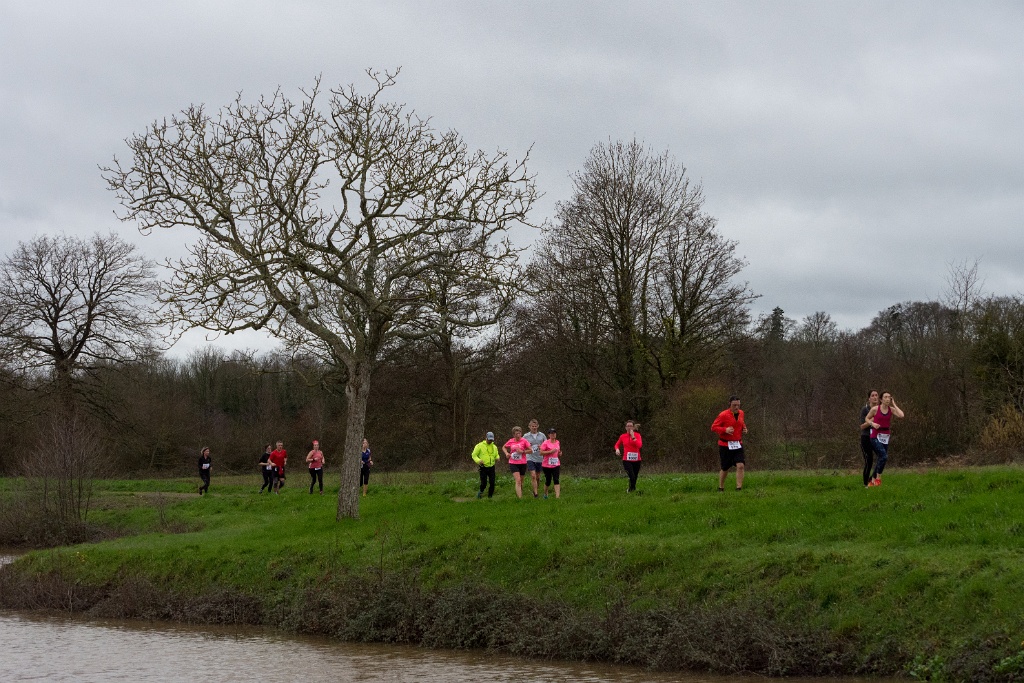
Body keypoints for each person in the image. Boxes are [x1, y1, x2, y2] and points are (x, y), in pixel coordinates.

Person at [865, 391, 905, 486]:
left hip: (885, 435)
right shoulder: (875, 409)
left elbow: (901, 415)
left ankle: (872, 481)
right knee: (884, 456)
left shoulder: (891, 409)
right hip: (875, 435)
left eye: (889, 397)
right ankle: (878, 478)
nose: (888, 399)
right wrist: (872, 423)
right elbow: (866, 418)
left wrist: (894, 404)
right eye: (885, 397)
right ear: (881, 399)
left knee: (881, 458)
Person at [711, 396, 747, 491]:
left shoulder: (741, 413)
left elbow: (741, 423)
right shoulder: (723, 415)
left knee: (741, 465)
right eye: (734, 405)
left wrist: (744, 428)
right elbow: (713, 427)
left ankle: (739, 488)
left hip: (738, 444)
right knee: (725, 467)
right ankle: (721, 487)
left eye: (738, 405)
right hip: (725, 445)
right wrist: (725, 429)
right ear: (729, 404)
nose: (736, 407)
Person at [614, 420, 643, 493]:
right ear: (625, 427)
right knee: (632, 476)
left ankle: (632, 489)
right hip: (626, 460)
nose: (629, 427)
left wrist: (633, 437)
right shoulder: (622, 436)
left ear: (633, 427)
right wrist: (617, 449)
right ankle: (631, 490)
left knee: (635, 476)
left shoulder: (637, 435)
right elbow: (617, 444)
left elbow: (639, 445)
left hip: (637, 460)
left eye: (631, 426)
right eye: (628, 426)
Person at [859, 391, 880, 488]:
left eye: (876, 395)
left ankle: (871, 479)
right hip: (866, 437)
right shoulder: (865, 409)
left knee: (882, 457)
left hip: (876, 437)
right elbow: (862, 426)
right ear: (869, 398)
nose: (875, 397)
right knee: (869, 460)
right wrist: (872, 419)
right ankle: (865, 485)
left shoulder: (880, 409)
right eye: (873, 396)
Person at [503, 426, 531, 499]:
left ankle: (520, 492)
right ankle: (520, 498)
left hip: (522, 463)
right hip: (513, 463)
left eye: (519, 433)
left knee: (521, 481)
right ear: (513, 435)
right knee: (518, 480)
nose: (518, 435)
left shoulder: (524, 441)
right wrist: (506, 453)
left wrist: (523, 451)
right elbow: (504, 447)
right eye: (516, 434)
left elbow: (531, 450)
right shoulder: (511, 441)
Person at [471, 431, 500, 499]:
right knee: (484, 483)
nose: (490, 441)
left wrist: (498, 457)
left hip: (492, 467)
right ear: (486, 438)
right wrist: (478, 461)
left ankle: (490, 497)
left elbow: (496, 455)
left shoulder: (494, 447)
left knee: (492, 483)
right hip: (483, 467)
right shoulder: (479, 446)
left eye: (491, 440)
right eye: (489, 439)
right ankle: (480, 492)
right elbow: (474, 455)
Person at [523, 419, 545, 498]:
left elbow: (547, 445)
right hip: (530, 457)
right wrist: (527, 446)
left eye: (535, 426)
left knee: (537, 476)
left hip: (539, 458)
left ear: (538, 426)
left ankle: (536, 488)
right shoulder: (526, 436)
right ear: (529, 427)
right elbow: (522, 445)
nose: (534, 428)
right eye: (532, 426)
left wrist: (541, 447)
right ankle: (536, 494)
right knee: (533, 475)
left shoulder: (542, 435)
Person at [540, 428, 562, 499]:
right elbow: (541, 453)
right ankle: (545, 494)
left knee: (556, 479)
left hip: (556, 464)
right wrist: (550, 452)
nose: (553, 434)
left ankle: (557, 497)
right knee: (548, 481)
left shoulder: (557, 442)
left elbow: (558, 451)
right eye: (551, 433)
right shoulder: (545, 443)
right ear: (549, 435)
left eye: (554, 433)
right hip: (547, 465)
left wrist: (560, 453)